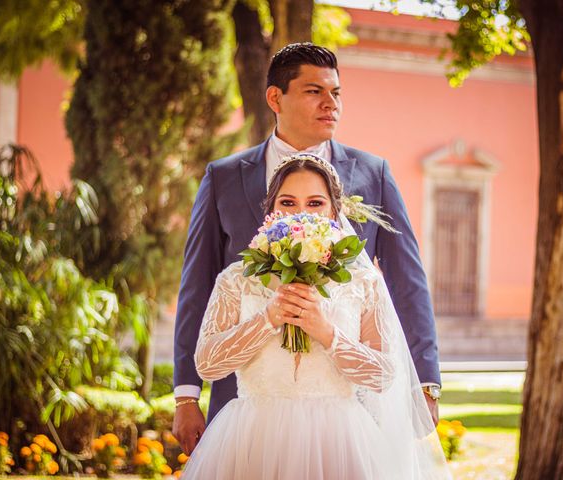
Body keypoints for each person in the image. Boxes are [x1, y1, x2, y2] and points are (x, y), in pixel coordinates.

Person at [173, 43, 441, 455]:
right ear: (275, 97)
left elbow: (407, 281)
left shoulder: (374, 174)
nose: (330, 103)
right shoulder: (223, 176)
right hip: (250, 401)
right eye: (315, 91)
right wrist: (186, 395)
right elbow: (197, 286)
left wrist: (425, 381)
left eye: (336, 93)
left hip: (345, 405)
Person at [181, 153, 449, 479]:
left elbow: (382, 375)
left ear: (334, 213)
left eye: (315, 203)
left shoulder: (363, 283)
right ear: (270, 212)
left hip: (338, 440)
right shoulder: (236, 279)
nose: (301, 215)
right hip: (254, 438)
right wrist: (267, 319)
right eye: (288, 202)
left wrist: (326, 332)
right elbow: (208, 364)